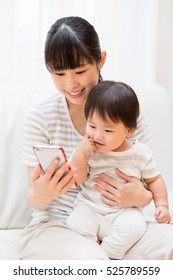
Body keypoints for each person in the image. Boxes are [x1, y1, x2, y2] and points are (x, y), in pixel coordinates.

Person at [19, 16, 173, 260]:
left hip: (122, 221)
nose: (70, 84)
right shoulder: (41, 117)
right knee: (92, 260)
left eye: (80, 71)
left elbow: (147, 179)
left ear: (100, 60)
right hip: (58, 225)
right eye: (59, 73)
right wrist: (45, 190)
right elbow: (34, 200)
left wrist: (144, 197)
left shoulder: (125, 111)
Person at [66, 80, 172, 259]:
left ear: (129, 131)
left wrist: (162, 205)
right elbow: (79, 178)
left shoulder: (139, 153)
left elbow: (154, 180)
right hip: (90, 207)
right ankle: (91, 253)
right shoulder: (87, 149)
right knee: (74, 223)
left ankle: (108, 254)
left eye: (108, 130)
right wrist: (80, 155)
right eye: (92, 126)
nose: (97, 135)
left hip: (124, 212)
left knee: (136, 226)